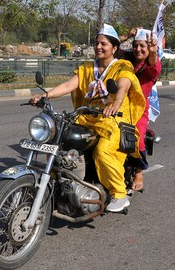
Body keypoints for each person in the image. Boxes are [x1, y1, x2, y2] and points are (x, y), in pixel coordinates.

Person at [30, 24, 146, 212]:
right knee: (57, 141)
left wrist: (115, 104)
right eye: (97, 43)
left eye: (104, 44)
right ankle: (56, 184)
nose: (99, 47)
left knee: (103, 151)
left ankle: (119, 194)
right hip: (87, 117)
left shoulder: (122, 66)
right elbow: (69, 85)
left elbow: (123, 86)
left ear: (114, 48)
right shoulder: (86, 68)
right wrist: (45, 96)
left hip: (114, 119)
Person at [118, 27, 162, 191]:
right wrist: (127, 35)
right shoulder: (127, 60)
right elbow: (111, 48)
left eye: (142, 46)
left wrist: (152, 51)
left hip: (138, 111)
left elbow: (153, 63)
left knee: (138, 140)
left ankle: (138, 171)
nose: (138, 49)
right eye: (135, 45)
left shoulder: (152, 66)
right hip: (118, 106)